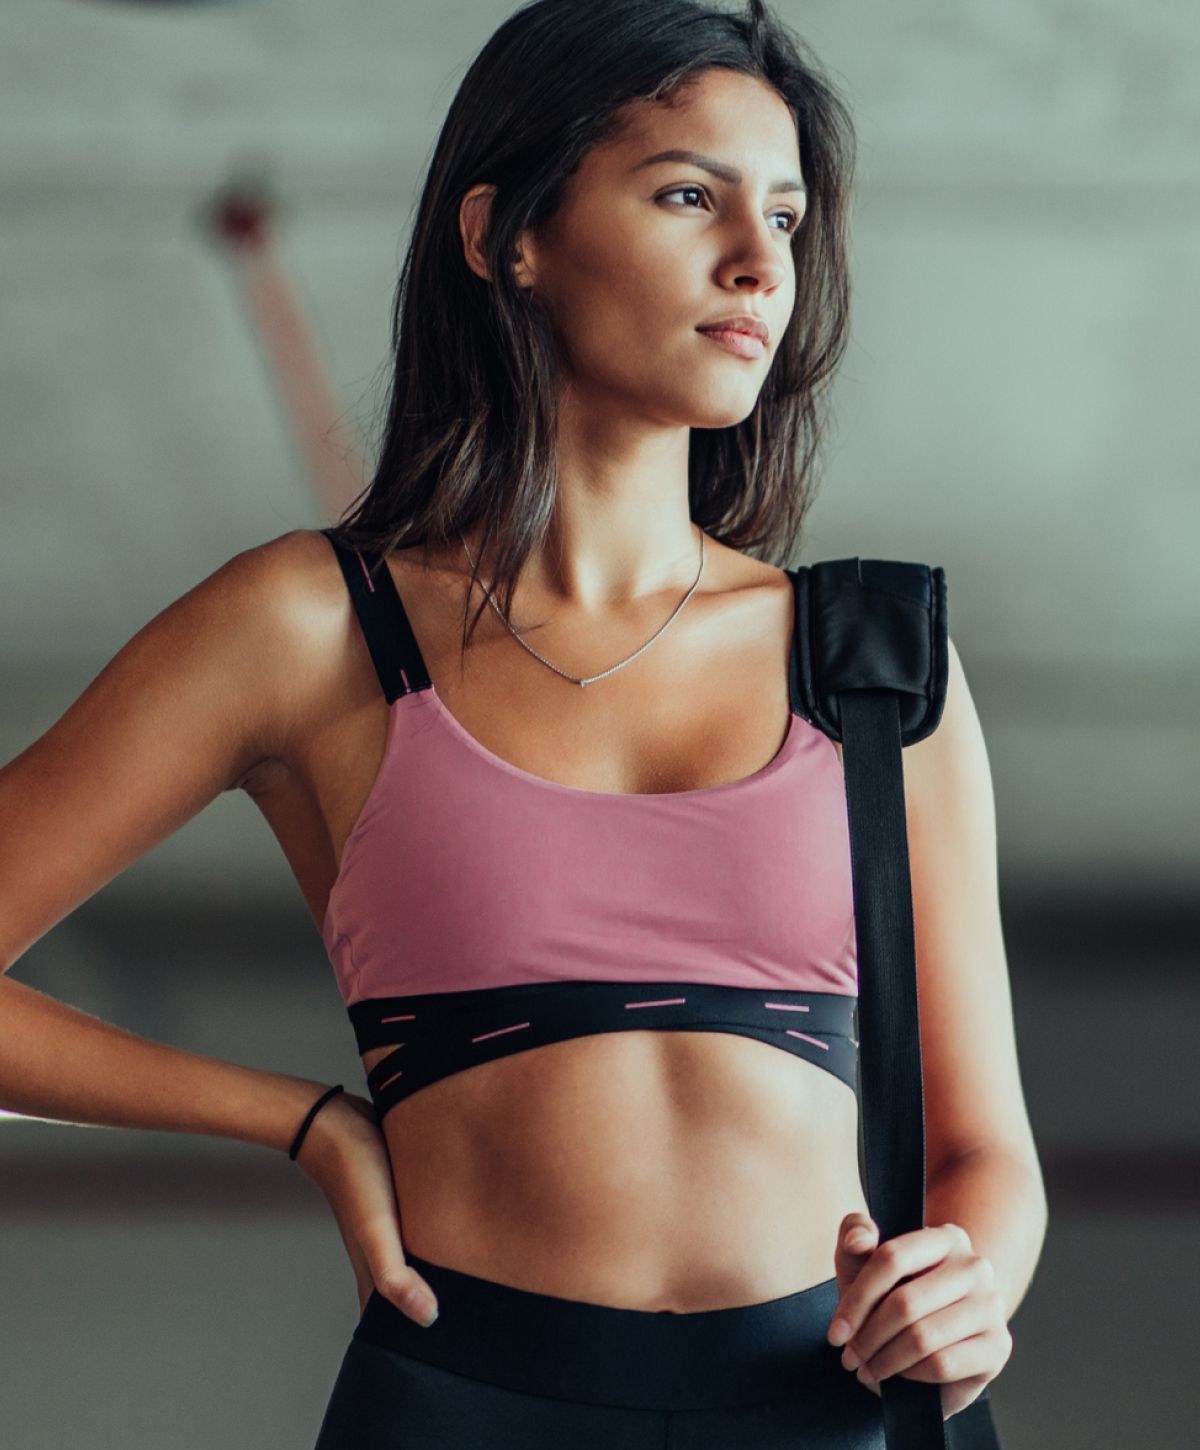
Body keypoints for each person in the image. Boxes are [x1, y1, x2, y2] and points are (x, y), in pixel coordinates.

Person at [0, 1, 1047, 1445]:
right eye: (691, 193)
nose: (761, 261)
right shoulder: (309, 630)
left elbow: (983, 1146)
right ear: (507, 236)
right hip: (465, 1404)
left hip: (850, 1413)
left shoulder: (873, 661)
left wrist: (970, 1288)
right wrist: (297, 1121)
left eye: (789, 217)